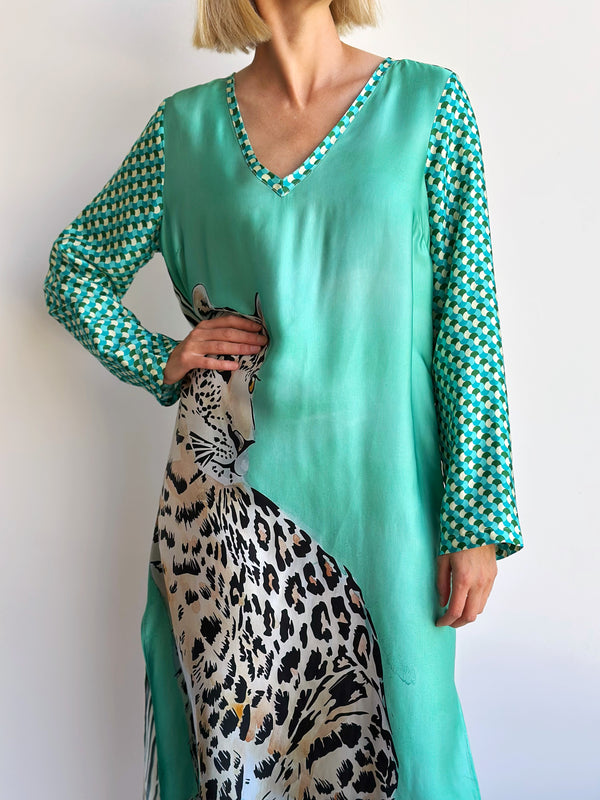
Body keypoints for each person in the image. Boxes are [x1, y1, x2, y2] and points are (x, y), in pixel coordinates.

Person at [43, 1, 524, 798]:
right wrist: (163, 358)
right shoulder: (183, 132)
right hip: (233, 536)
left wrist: (474, 519)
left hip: (388, 509)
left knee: (410, 751)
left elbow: (465, 327)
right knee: (245, 769)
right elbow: (74, 271)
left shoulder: (429, 108)